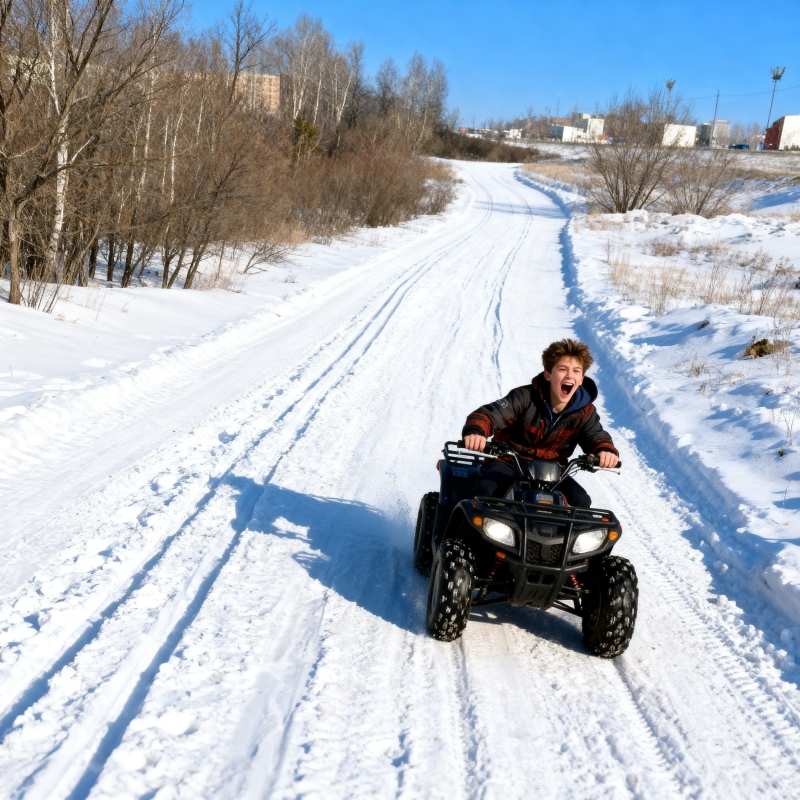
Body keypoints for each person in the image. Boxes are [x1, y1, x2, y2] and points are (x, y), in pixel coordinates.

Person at [462, 338, 618, 508]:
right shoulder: (524, 397)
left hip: (553, 472)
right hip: (508, 463)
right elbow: (490, 415)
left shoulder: (585, 412)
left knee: (580, 501)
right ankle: (461, 534)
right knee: (485, 493)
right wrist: (476, 431)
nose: (569, 375)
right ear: (548, 374)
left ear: (581, 379)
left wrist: (605, 451)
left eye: (576, 371)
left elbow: (595, 436)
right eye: (563, 369)